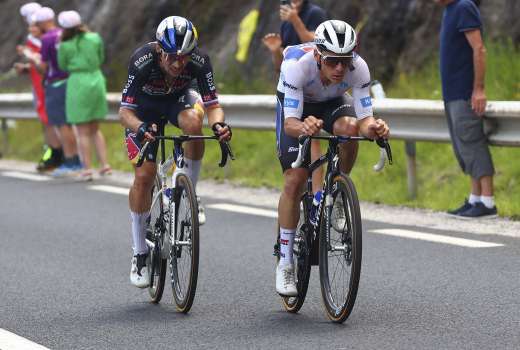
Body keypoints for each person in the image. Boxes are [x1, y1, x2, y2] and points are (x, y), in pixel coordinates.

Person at [274, 20, 390, 296]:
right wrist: (303, 127)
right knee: (295, 179)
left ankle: (337, 187)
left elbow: (364, 120)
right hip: (297, 108)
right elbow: (290, 123)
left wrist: (374, 128)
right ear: (318, 55)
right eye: (332, 61)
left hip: (332, 103)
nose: (339, 68)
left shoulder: (358, 68)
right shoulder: (296, 65)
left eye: (345, 61)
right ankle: (286, 262)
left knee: (349, 129)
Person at [119, 16, 232, 288]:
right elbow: (124, 112)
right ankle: (140, 254)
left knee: (195, 121)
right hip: (143, 110)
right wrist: (140, 127)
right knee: (144, 177)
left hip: (178, 101)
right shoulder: (141, 61)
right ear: (159, 49)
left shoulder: (200, 61)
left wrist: (218, 124)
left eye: (184, 56)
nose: (178, 63)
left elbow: (212, 104)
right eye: (172, 56)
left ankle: (190, 192)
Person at [435, 0, 497, 218]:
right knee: (463, 146)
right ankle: (475, 198)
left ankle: (488, 202)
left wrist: (478, 89)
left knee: (472, 142)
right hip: (452, 94)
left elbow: (479, 49)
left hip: (464, 93)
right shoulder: (449, 10)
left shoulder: (463, 7)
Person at [262, 0, 328, 195]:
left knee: (313, 136)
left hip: (316, 84)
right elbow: (279, 66)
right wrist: (275, 51)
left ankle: (319, 196)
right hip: (293, 86)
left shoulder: (315, 13)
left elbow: (317, 45)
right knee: (295, 175)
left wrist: (295, 19)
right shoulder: (285, 23)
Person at [57, 11, 111, 181]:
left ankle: (87, 168)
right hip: (96, 79)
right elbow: (101, 57)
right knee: (95, 128)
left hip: (78, 82)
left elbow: (62, 65)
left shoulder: (64, 45)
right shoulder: (95, 38)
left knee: (82, 131)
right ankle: (105, 165)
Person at [30, 6, 82, 176]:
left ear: (44, 22)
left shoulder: (47, 39)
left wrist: (33, 59)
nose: (37, 25)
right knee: (70, 123)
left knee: (62, 125)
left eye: (38, 22)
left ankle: (70, 161)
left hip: (55, 83)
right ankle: (76, 160)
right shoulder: (64, 34)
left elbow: (44, 68)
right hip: (69, 81)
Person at [15, 2, 63, 172]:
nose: (31, 28)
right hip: (40, 82)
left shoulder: (44, 38)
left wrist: (27, 55)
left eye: (34, 25)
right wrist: (27, 68)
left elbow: (44, 62)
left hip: (46, 83)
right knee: (48, 120)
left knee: (50, 120)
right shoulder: (46, 36)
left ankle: (56, 156)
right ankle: (54, 155)